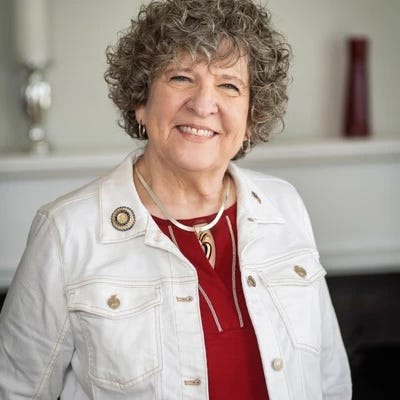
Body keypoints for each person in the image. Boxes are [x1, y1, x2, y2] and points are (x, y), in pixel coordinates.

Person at [0, 0, 352, 399]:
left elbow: (330, 381)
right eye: (182, 78)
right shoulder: (67, 232)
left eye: (229, 85)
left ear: (251, 118)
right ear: (141, 101)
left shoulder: (284, 206)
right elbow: (14, 390)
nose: (203, 104)